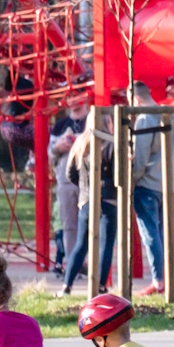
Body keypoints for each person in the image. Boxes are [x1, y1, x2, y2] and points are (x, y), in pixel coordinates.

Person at [60, 117, 119, 294]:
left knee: (81, 244)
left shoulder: (80, 143)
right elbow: (118, 175)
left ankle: (67, 285)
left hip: (86, 200)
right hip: (108, 200)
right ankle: (100, 286)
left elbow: (70, 173)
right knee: (106, 245)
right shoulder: (112, 143)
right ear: (107, 123)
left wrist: (84, 188)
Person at [128, 83, 168, 295]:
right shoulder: (168, 116)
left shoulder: (144, 119)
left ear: (135, 99)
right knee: (160, 234)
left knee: (150, 234)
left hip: (146, 184)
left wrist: (132, 179)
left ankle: (158, 280)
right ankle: (164, 279)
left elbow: (141, 158)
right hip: (164, 182)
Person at [47, 96, 89, 274]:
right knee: (69, 226)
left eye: (78, 94)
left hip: (89, 181)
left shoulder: (93, 120)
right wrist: (58, 147)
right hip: (66, 181)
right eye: (70, 95)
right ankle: (74, 266)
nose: (73, 99)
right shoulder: (60, 126)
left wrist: (78, 143)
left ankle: (91, 264)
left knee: (92, 224)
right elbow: (50, 154)